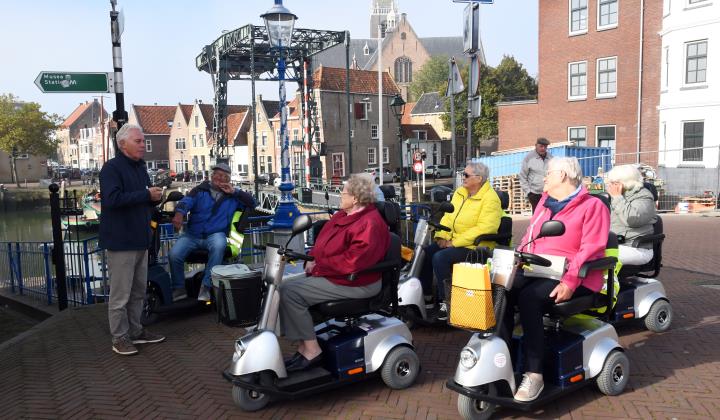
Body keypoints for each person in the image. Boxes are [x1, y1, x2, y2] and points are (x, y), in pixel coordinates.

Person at [500, 157, 610, 402]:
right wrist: (516, 258)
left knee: (529, 298)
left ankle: (534, 374)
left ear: (562, 176)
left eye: (548, 173)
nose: (544, 178)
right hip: (538, 269)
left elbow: (590, 248)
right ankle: (503, 362)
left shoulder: (593, 206)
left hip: (575, 276)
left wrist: (570, 282)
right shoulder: (544, 204)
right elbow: (530, 236)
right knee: (502, 288)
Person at [279, 174, 390, 372]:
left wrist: (319, 267)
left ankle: (312, 351)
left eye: (343, 192)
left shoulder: (369, 223)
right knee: (284, 286)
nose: (340, 196)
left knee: (290, 293)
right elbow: (321, 242)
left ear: (355, 198)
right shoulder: (342, 215)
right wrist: (311, 258)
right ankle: (304, 346)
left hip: (357, 282)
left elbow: (353, 261)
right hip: (337, 275)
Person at [99, 123, 166, 356]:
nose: (142, 146)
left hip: (140, 239)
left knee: (138, 291)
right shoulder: (111, 169)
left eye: (143, 141)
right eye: (138, 141)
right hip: (120, 241)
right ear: (122, 143)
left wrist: (154, 198)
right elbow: (112, 200)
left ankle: (136, 331)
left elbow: (141, 200)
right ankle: (119, 338)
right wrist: (146, 194)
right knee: (120, 295)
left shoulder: (140, 168)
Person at [419, 161, 503, 320]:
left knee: (440, 257)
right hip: (456, 241)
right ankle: (428, 297)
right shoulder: (460, 193)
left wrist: (454, 243)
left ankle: (448, 303)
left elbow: (485, 228)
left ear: (479, 179)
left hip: (477, 246)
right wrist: (441, 236)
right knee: (426, 253)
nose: (462, 177)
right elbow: (449, 216)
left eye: (465, 175)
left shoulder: (490, 198)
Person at [168, 163, 255, 301]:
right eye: (217, 175)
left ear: (228, 180)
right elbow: (186, 202)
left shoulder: (233, 196)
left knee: (219, 246)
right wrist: (179, 213)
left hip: (215, 234)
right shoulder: (199, 190)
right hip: (193, 235)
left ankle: (206, 286)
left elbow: (252, 203)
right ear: (211, 176)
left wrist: (235, 192)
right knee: (174, 254)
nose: (219, 178)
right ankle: (179, 288)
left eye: (223, 176)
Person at [605, 164, 657, 265]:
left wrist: (617, 198)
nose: (610, 186)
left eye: (614, 183)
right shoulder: (615, 197)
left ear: (626, 182)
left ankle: (610, 281)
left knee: (597, 258)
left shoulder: (644, 196)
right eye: (609, 182)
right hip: (615, 244)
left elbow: (632, 219)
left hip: (635, 248)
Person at [519, 137, 553, 213]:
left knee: (549, 214)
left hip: (548, 193)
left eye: (545, 147)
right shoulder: (529, 158)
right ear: (536, 145)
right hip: (534, 193)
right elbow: (522, 176)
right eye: (541, 146)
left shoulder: (551, 158)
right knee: (537, 216)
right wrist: (528, 192)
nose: (543, 148)